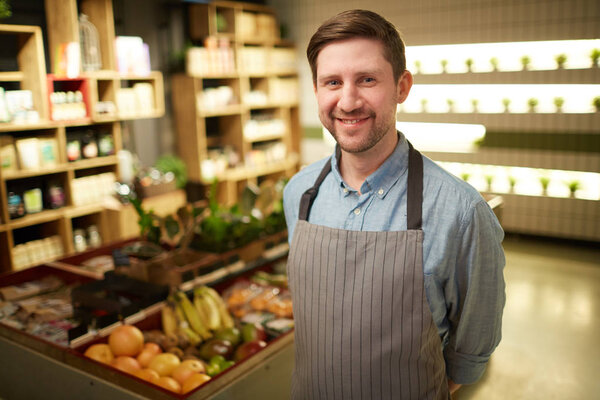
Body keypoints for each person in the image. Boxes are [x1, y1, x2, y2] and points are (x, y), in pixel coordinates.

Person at [283, 9, 506, 400]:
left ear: (402, 86)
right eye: (332, 82)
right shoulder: (299, 193)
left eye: (367, 80)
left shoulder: (461, 211)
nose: (348, 101)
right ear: (316, 90)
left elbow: (471, 347)